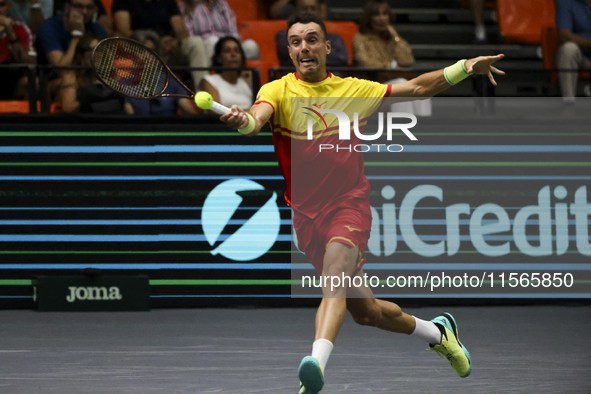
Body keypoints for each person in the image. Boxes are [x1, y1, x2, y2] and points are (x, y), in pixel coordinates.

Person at [220, 13, 504, 393]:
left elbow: (418, 88)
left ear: (327, 47)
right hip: (306, 217)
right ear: (289, 50)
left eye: (311, 39)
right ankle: (438, 333)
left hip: (348, 205)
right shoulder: (277, 91)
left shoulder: (353, 90)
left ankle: (314, 371)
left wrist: (465, 66)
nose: (304, 47)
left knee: (333, 280)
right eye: (295, 41)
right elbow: (256, 121)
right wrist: (243, 120)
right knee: (366, 312)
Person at [353, 0, 430, 116]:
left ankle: (425, 127)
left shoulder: (393, 40)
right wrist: (390, 66)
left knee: (420, 87)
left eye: (385, 14)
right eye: (376, 14)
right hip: (374, 87)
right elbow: (365, 63)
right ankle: (402, 128)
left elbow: (408, 60)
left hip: (393, 83)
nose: (381, 18)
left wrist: (395, 37)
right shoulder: (360, 39)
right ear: (369, 18)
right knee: (401, 84)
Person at [112, 0, 209, 89]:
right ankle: (152, 100)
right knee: (148, 50)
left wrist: (175, 41)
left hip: (168, 48)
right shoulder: (123, 2)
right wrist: (154, 41)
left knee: (196, 42)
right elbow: (123, 30)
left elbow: (180, 29)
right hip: (141, 46)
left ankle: (205, 95)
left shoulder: (167, 2)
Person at [124, 30, 198, 115]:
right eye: (141, 51)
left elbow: (188, 110)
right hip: (141, 127)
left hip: (168, 125)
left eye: (151, 51)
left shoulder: (172, 80)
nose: (147, 56)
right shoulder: (125, 82)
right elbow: (129, 117)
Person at [58, 32, 124, 113]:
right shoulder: (71, 77)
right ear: (81, 55)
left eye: (98, 49)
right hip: (82, 122)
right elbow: (68, 108)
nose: (95, 53)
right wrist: (89, 97)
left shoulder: (110, 75)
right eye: (90, 50)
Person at [276, 0, 347, 70]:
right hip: (296, 77)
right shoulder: (284, 36)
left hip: (329, 77)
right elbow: (291, 55)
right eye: (304, 8)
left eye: (313, 8)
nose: (309, 12)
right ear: (295, 11)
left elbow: (342, 58)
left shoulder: (333, 38)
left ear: (319, 12)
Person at [177, 0, 259, 60]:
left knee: (251, 46)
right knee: (213, 41)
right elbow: (190, 37)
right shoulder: (185, 6)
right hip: (205, 46)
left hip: (228, 42)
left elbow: (232, 30)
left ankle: (249, 81)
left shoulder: (222, 4)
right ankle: (214, 80)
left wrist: (232, 46)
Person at [36, 0, 107, 67]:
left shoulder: (98, 29)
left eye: (89, 7)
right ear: (67, 7)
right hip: (52, 77)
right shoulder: (50, 27)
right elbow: (61, 67)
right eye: (79, 6)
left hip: (87, 76)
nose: (84, 11)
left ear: (95, 9)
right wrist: (77, 34)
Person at [200, 36, 252, 110]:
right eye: (227, 51)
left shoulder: (245, 83)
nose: (233, 54)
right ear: (219, 58)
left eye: (237, 51)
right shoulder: (209, 81)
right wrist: (247, 115)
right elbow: (215, 112)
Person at [555, 0, 591, 103]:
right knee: (568, 49)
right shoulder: (566, 2)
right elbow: (564, 35)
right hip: (582, 58)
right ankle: (569, 104)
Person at [0, 0, 36, 99]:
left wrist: (11, 33)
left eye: (1, 5)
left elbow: (31, 64)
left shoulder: (20, 27)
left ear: (8, 7)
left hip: (10, 80)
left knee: (32, 82)